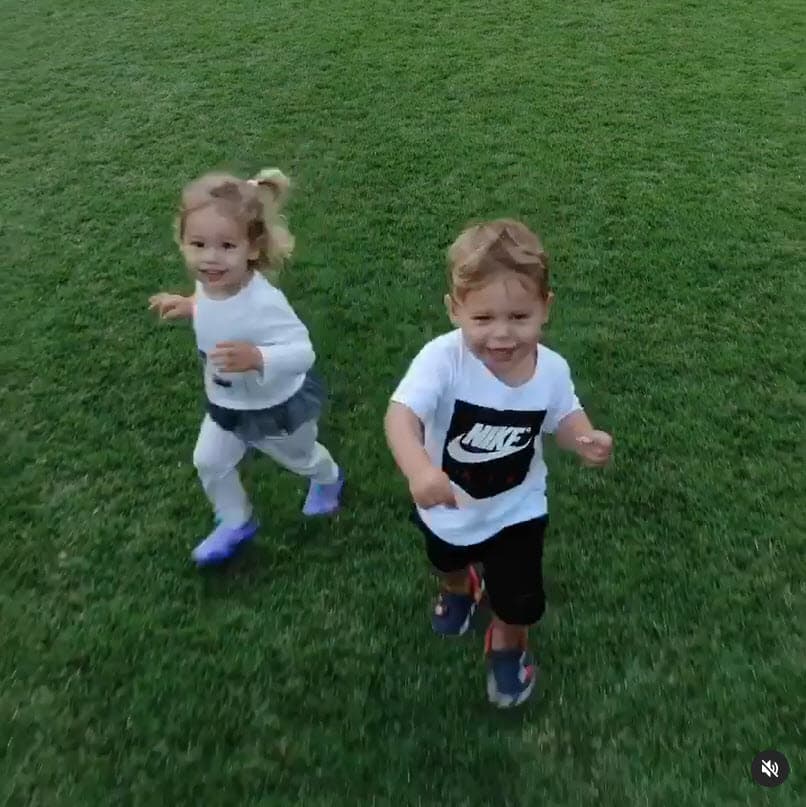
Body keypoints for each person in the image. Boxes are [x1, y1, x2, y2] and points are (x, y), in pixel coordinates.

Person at [384, 219, 612, 708]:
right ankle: (460, 585)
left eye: (519, 317)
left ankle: (507, 641)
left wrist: (583, 436)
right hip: (448, 505)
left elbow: (564, 413)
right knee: (445, 557)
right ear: (455, 310)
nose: (502, 336)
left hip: (518, 509)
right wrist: (420, 470)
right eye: (483, 319)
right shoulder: (442, 360)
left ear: (545, 309)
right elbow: (401, 415)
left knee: (520, 597)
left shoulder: (551, 370)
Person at [149, 168, 344, 566]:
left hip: (274, 405)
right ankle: (236, 520)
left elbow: (302, 352)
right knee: (209, 461)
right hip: (226, 402)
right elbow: (213, 306)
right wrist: (191, 306)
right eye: (197, 244)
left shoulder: (263, 304)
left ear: (252, 248)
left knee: (301, 458)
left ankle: (328, 479)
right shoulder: (209, 285)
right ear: (182, 242)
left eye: (225, 246)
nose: (210, 258)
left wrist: (258, 358)